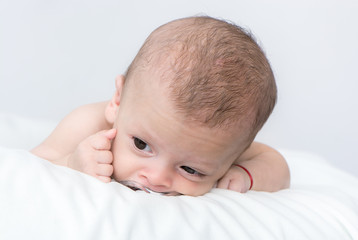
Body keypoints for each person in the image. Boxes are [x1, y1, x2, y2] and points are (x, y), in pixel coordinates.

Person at [31, 16, 290, 196]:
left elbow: (277, 166)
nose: (156, 178)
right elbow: (31, 166)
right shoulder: (88, 124)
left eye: (191, 170)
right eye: (141, 145)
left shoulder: (216, 146)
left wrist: (245, 176)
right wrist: (71, 163)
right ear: (117, 102)